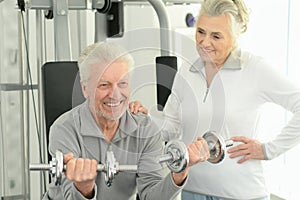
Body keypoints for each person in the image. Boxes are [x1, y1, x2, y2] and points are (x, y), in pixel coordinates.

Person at [156, 0, 300, 199]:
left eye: (216, 36)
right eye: (201, 32)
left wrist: (268, 150)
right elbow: (170, 126)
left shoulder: (254, 69)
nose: (205, 42)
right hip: (192, 190)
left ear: (234, 38)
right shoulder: (187, 71)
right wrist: (138, 120)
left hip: (241, 193)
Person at [43, 41, 210, 200]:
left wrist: (180, 172)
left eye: (122, 83)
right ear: (85, 88)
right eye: (104, 85)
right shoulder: (64, 129)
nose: (115, 94)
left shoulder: (146, 129)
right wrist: (84, 188)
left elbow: (151, 196)